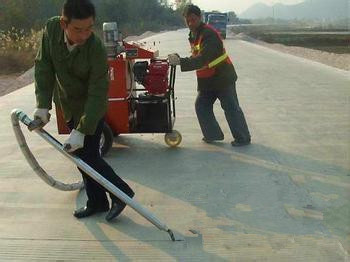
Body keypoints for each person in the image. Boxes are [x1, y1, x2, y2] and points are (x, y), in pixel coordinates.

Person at [33, 0, 134, 221]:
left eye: (89, 28)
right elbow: (44, 67)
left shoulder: (95, 48)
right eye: (78, 29)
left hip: (91, 108)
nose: (84, 35)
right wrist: (42, 105)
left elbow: (98, 93)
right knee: (81, 157)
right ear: (63, 23)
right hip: (69, 106)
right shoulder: (51, 30)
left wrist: (82, 129)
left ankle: (122, 193)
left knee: (88, 157)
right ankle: (97, 203)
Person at [168, 4, 251, 146]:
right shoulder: (194, 34)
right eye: (187, 21)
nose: (190, 23)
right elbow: (196, 54)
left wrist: (181, 62)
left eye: (193, 19)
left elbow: (203, 59)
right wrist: (179, 58)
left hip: (222, 77)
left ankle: (243, 138)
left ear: (200, 17)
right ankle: (213, 135)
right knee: (201, 105)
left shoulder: (209, 34)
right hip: (208, 80)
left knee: (231, 107)